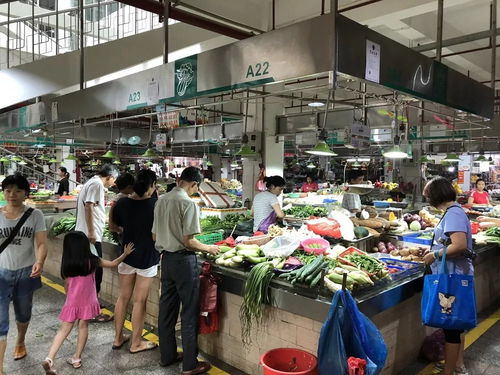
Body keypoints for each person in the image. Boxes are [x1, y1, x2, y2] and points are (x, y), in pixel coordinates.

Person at [153, 167, 220, 375]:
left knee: (167, 311)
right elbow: (189, 241)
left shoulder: (161, 200)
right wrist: (209, 247)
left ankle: (167, 356)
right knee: (189, 313)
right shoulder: (188, 203)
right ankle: (190, 365)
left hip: (167, 261)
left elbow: (154, 236)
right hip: (184, 262)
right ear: (195, 184)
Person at [41, 231, 134, 375]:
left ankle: (49, 359)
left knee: (63, 330)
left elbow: (66, 286)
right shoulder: (93, 260)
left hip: (72, 301)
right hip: (88, 301)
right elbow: (114, 263)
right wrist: (125, 253)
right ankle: (76, 358)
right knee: (83, 327)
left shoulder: (67, 264)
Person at [422, 177, 473, 375]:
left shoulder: (453, 214)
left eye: (427, 195)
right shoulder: (453, 212)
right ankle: (458, 365)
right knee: (456, 324)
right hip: (455, 274)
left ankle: (449, 371)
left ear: (435, 195)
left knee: (451, 327)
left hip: (453, 276)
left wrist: (434, 255)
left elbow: (459, 245)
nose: (427, 199)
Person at [0, 174, 47, 375]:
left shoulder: (35, 215)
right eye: (8, 190)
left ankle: (20, 342)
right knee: (1, 321)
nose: (12, 194)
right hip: (1, 273)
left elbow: (42, 243)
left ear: (26, 193)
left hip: (26, 272)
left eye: (18, 190)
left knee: (23, 313)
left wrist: (40, 261)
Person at [111, 170, 160, 354]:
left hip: (127, 253)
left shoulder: (122, 202)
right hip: (148, 256)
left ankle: (117, 339)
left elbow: (113, 226)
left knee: (123, 297)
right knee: (140, 300)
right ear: (152, 185)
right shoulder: (156, 204)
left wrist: (127, 230)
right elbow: (157, 234)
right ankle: (136, 342)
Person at [75, 164, 119, 323]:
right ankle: (92, 312)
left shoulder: (91, 182)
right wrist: (92, 231)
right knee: (95, 274)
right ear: (110, 177)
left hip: (88, 235)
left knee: (92, 273)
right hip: (90, 237)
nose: (113, 184)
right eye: (114, 180)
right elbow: (89, 206)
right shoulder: (97, 184)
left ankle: (91, 305)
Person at [108, 173, 135, 238]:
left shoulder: (121, 197)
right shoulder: (119, 199)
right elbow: (111, 221)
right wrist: (121, 230)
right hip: (123, 232)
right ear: (129, 186)